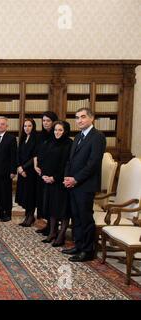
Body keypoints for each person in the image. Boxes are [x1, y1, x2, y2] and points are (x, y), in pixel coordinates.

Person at [63, 108, 106, 262]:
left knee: (85, 217)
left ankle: (88, 251)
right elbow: (70, 160)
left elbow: (92, 164)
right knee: (76, 217)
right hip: (74, 184)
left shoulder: (98, 137)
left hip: (86, 185)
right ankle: (79, 245)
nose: (79, 120)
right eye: (77, 118)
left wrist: (76, 179)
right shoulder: (78, 137)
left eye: (83, 117)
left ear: (92, 118)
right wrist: (67, 177)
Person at [39, 121, 72, 246]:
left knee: (63, 210)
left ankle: (61, 234)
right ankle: (52, 232)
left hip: (61, 182)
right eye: (55, 130)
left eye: (60, 130)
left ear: (65, 131)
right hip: (49, 181)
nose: (57, 133)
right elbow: (44, 159)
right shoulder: (50, 142)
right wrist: (45, 176)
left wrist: (55, 178)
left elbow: (66, 164)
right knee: (52, 207)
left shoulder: (69, 144)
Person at [33, 111, 58, 235]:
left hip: (52, 174)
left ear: (53, 122)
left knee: (51, 201)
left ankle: (53, 228)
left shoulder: (57, 135)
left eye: (48, 121)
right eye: (43, 121)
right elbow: (36, 153)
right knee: (43, 200)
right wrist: (35, 165)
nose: (45, 123)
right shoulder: (40, 136)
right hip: (40, 173)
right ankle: (48, 225)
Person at [15, 118, 38, 227]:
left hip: (31, 172)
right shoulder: (23, 138)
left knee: (30, 195)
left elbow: (35, 156)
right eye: (25, 126)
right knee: (24, 194)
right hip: (22, 171)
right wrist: (19, 167)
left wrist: (23, 168)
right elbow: (18, 154)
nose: (27, 128)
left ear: (33, 127)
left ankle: (30, 216)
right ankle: (27, 216)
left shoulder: (36, 139)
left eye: (29, 126)